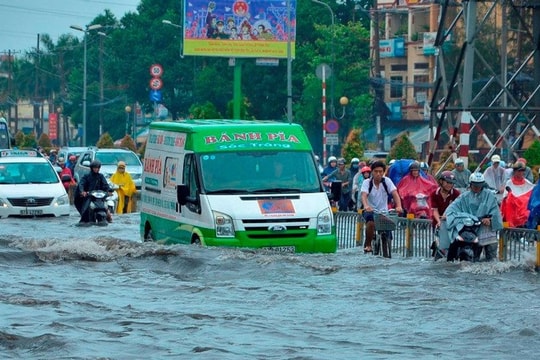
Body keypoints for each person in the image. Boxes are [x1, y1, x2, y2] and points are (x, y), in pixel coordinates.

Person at [444, 172, 503, 262]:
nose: (477, 188)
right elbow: (453, 207)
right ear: (470, 184)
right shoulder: (464, 196)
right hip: (472, 229)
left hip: (487, 229)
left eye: (479, 185)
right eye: (475, 185)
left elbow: (496, 212)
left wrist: (489, 219)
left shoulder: (489, 196)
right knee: (474, 258)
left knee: (491, 258)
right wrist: (446, 215)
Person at [360, 161, 403, 253]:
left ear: (383, 172)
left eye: (380, 171)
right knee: (370, 222)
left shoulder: (387, 181)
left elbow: (395, 194)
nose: (378, 174)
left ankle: (387, 245)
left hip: (384, 212)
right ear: (372, 172)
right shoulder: (367, 182)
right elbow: (364, 195)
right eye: (376, 171)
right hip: (371, 211)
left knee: (389, 227)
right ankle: (368, 244)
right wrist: (366, 206)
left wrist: (399, 206)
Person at [430, 171, 461, 258]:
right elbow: (434, 210)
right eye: (447, 182)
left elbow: (458, 209)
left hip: (452, 223)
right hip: (438, 223)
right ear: (441, 181)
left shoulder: (456, 194)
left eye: (451, 183)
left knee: (453, 244)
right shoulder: (434, 194)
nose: (449, 185)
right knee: (439, 246)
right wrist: (439, 221)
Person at [75, 160, 113, 226]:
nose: (96, 169)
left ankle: (108, 216)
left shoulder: (101, 176)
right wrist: (82, 191)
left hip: (99, 198)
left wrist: (109, 190)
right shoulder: (86, 176)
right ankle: (85, 219)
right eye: (95, 168)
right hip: (89, 197)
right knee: (86, 208)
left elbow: (105, 185)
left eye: (97, 168)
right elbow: (81, 184)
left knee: (107, 207)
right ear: (91, 168)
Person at [500, 161, 534, 228]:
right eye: (519, 171)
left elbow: (532, 195)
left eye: (522, 171)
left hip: (524, 213)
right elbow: (505, 198)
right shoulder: (509, 183)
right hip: (513, 211)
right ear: (514, 171)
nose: (521, 173)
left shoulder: (527, 183)